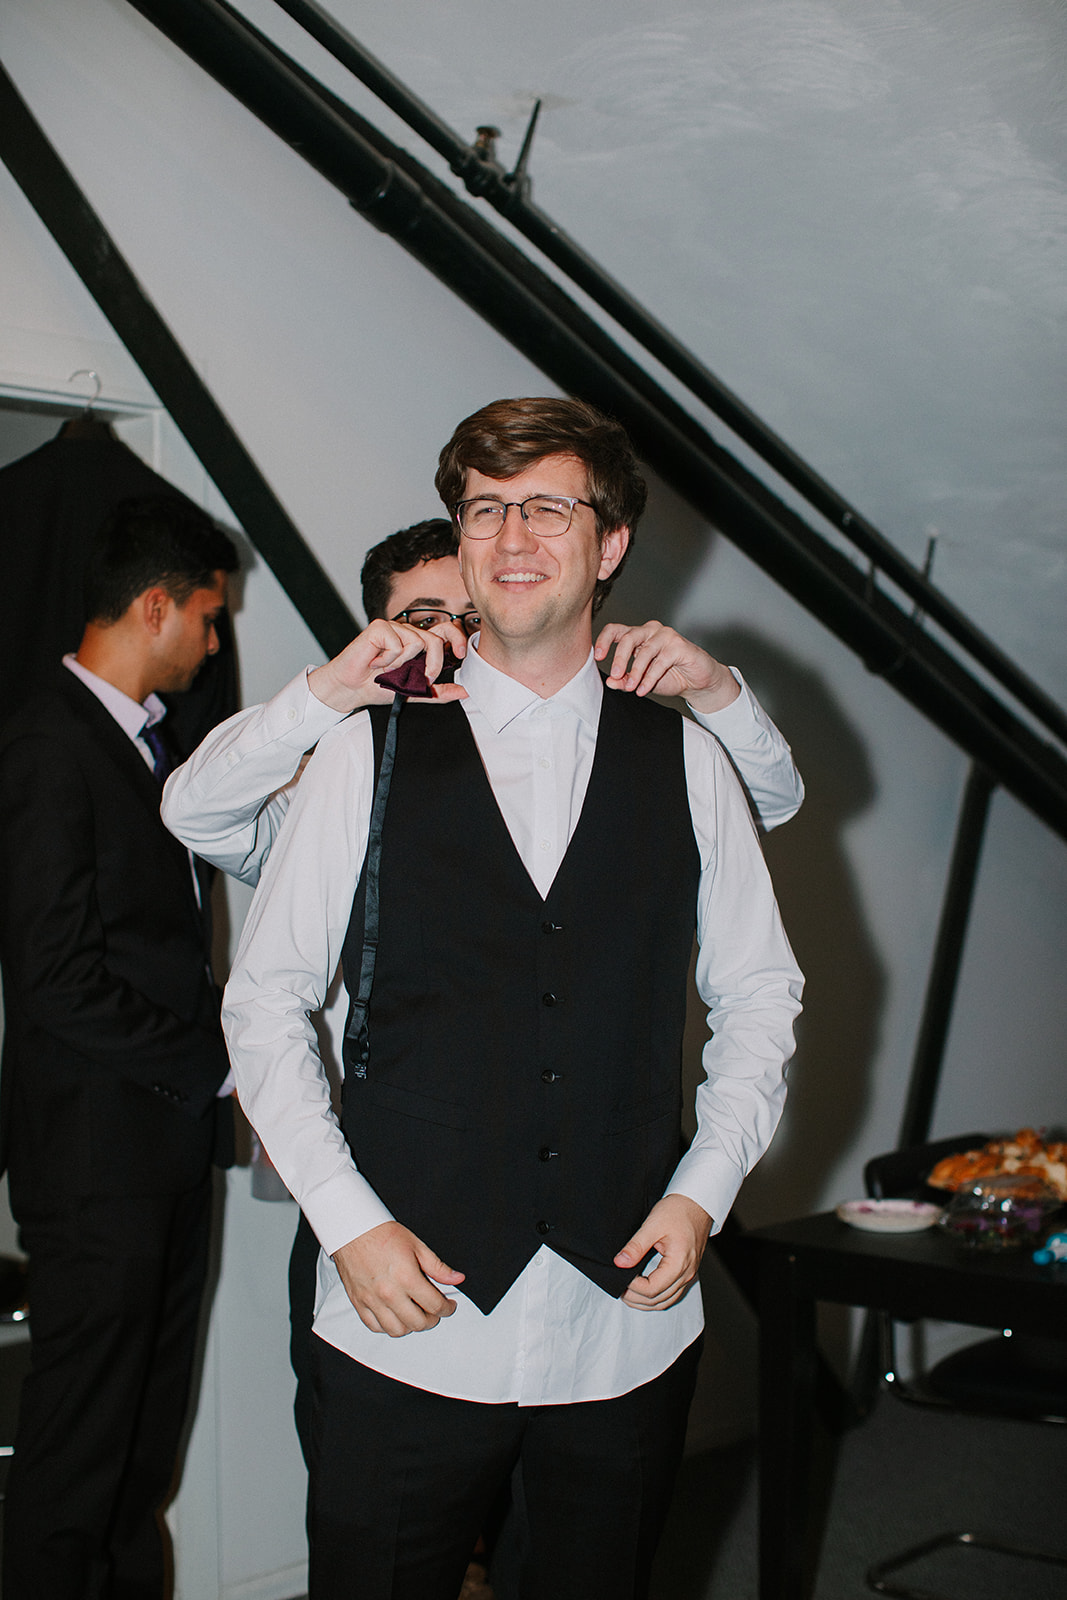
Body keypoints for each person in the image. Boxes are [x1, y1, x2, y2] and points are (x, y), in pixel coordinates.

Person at [219, 397, 803, 1600]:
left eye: (546, 504)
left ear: (610, 543)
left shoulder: (687, 752)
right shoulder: (362, 746)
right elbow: (264, 1000)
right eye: (483, 509)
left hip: (623, 1327)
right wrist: (348, 1221)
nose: (511, 534)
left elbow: (758, 996)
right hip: (406, 1314)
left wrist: (702, 1194)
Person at [0, 495, 239, 1600]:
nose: (214, 639)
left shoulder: (153, 744)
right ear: (154, 605)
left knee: (142, 1444)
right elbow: (54, 979)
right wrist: (216, 1065)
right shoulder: (47, 739)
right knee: (78, 1453)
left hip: (165, 1152)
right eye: (208, 615)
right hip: (95, 1163)